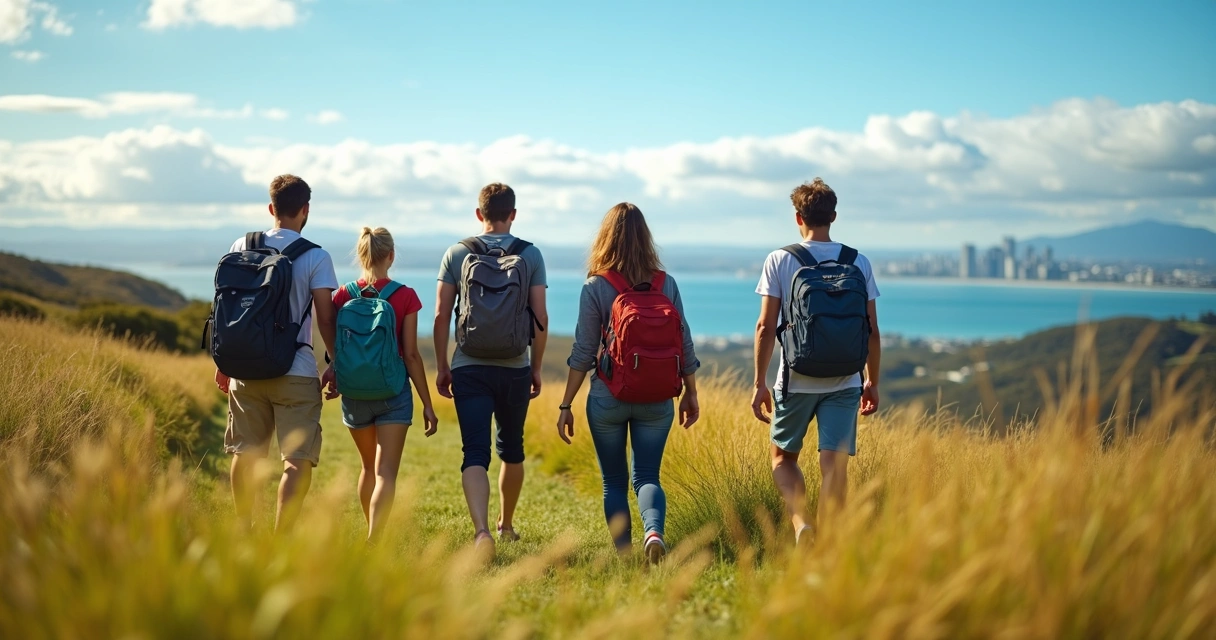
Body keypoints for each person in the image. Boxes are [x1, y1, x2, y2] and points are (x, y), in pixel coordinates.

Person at [556, 203, 701, 563]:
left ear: (605, 238)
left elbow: (583, 351)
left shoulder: (595, 286)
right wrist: (691, 393)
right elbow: (684, 342)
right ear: (646, 238)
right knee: (648, 475)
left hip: (608, 397)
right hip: (657, 398)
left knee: (614, 482)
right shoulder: (666, 283)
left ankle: (625, 556)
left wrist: (566, 404)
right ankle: (654, 532)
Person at [751, 177, 881, 545]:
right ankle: (830, 548)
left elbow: (765, 326)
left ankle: (802, 523)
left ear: (798, 218)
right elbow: (872, 330)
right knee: (834, 467)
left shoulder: (780, 260)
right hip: (846, 379)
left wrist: (760, 382)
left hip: (795, 378)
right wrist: (873, 381)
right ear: (834, 216)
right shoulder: (859, 261)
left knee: (783, 459)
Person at [215, 174, 339, 532]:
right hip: (296, 370)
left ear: (271, 208)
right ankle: (281, 539)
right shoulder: (316, 256)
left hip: (244, 370)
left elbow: (227, 308)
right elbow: (325, 318)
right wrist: (335, 363)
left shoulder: (242, 244)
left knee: (245, 453)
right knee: (296, 461)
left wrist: (224, 360)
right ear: (306, 210)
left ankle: (244, 528)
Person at [433, 182, 549, 557]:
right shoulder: (530, 255)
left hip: (469, 366)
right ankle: (507, 524)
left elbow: (439, 315)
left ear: (479, 214)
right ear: (513, 214)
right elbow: (541, 317)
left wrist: (442, 365)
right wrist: (536, 367)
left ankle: (482, 531)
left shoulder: (456, 253)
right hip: (515, 366)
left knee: (474, 452)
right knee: (512, 448)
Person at [330, 227, 439, 543]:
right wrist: (427, 404)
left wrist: (334, 372)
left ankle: (371, 531)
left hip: (354, 394)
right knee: (385, 473)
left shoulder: (342, 296)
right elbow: (412, 355)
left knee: (367, 469)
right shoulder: (405, 296)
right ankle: (375, 538)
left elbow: (336, 342)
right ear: (390, 255)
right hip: (393, 392)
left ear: (362, 255)